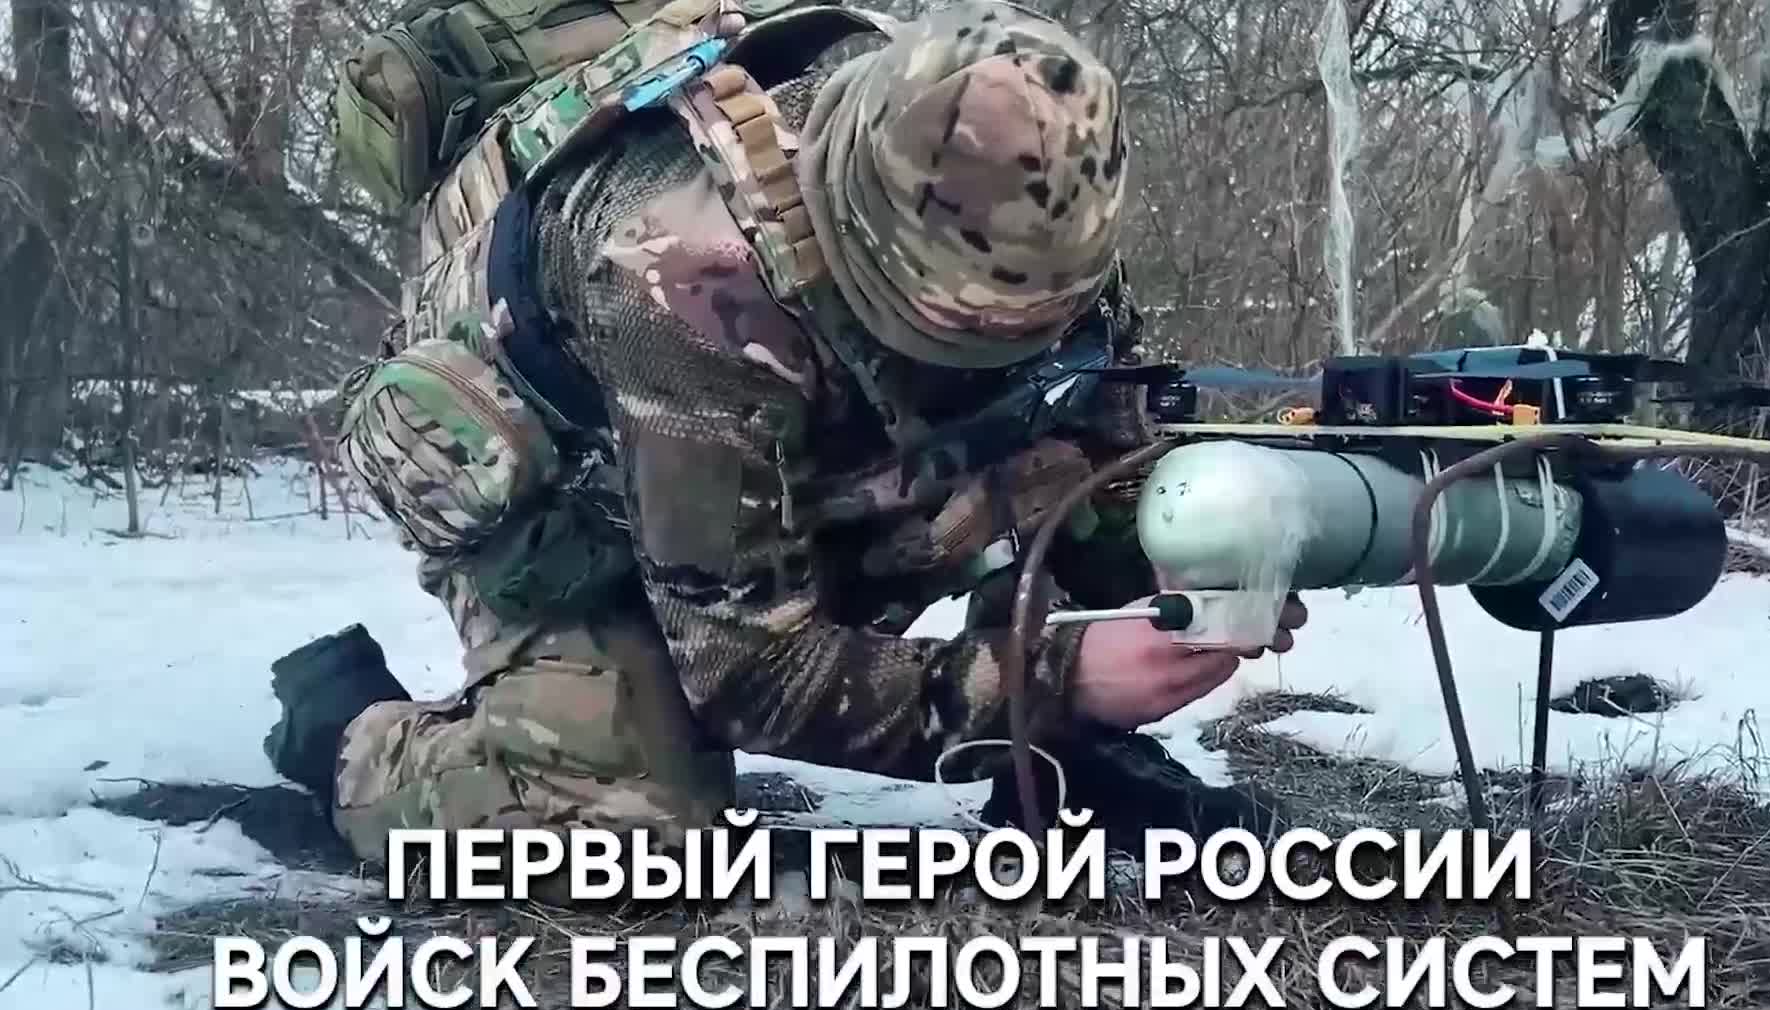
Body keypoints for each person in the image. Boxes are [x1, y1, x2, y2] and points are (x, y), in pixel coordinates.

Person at [268, 0, 1307, 866]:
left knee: (1064, 454)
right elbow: (749, 676)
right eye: (968, 328)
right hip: (556, 483)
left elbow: (1103, 429)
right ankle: (348, 736)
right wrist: (1053, 677)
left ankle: (1058, 766)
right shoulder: (681, 278)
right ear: (869, 243)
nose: (1016, 342)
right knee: (627, 829)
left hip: (774, 435)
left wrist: (1202, 546)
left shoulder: (1036, 187)